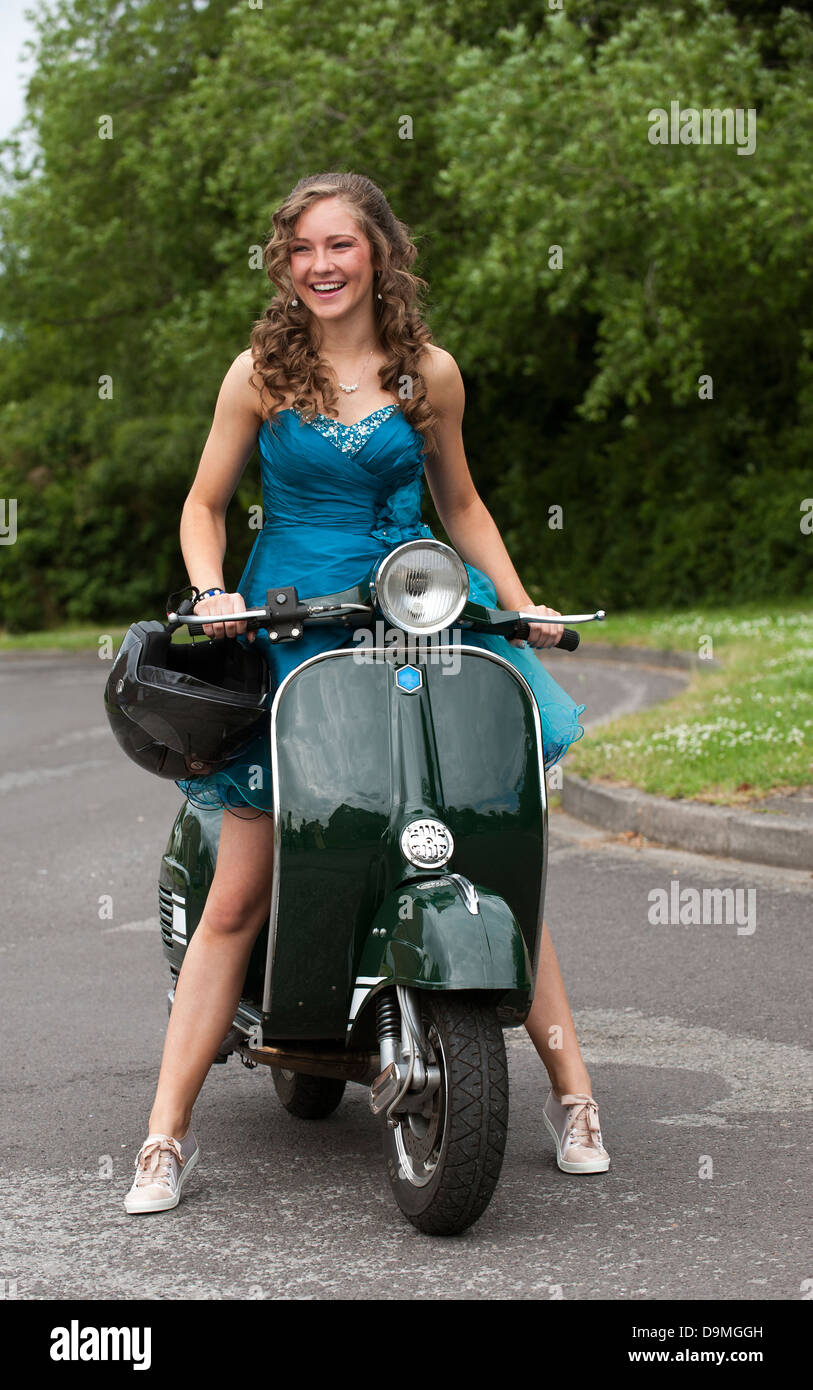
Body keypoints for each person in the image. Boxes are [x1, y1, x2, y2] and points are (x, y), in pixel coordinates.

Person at [124, 172, 610, 1214]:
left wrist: (523, 604)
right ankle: (165, 1137)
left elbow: (462, 501)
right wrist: (211, 590)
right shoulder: (258, 373)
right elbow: (204, 506)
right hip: (291, 623)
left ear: (379, 251)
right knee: (242, 890)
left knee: (486, 850)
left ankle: (574, 1097)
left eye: (340, 244)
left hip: (419, 610)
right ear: (283, 261)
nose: (321, 265)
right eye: (301, 248)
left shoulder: (429, 371)